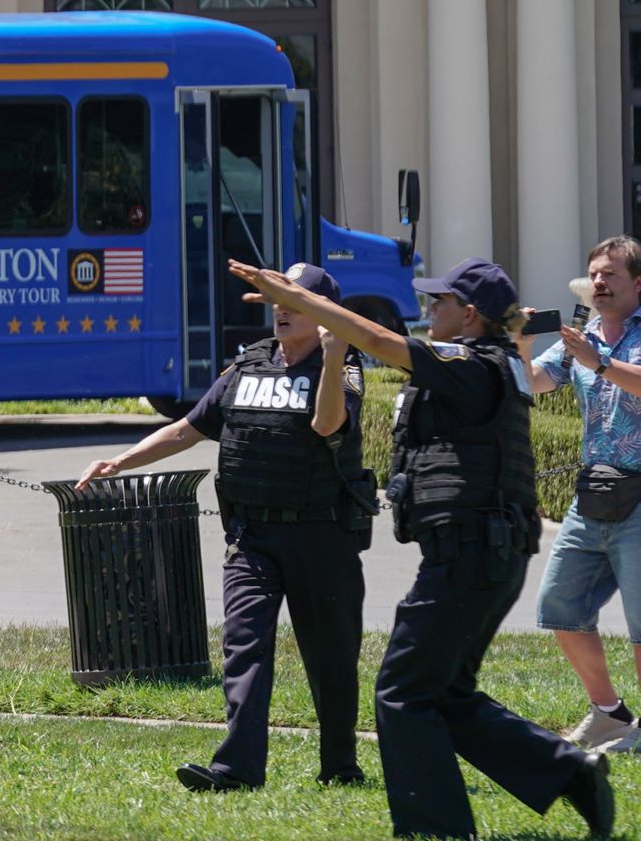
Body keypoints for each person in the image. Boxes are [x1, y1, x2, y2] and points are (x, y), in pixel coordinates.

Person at [231, 256, 614, 840]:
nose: (428, 310)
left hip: (471, 551)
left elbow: (375, 338)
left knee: (403, 692)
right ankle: (570, 772)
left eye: (440, 302)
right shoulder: (493, 361)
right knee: (444, 692)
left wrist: (300, 300)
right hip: (483, 551)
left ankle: (435, 830)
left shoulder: (470, 363)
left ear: (470, 315)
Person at [79, 264, 371, 793]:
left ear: (325, 314)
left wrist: (332, 354)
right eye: (277, 298)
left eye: (294, 301)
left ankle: (340, 765)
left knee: (331, 657)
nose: (280, 308)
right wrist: (122, 461)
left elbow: (328, 424)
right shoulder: (249, 365)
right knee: (244, 648)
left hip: (320, 534)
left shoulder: (344, 366)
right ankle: (236, 769)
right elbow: (188, 429)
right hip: (252, 536)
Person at [523, 235, 641, 754]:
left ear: (638, 283)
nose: (600, 282)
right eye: (595, 274)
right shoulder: (581, 336)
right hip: (591, 495)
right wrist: (517, 343)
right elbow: (531, 384)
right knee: (558, 606)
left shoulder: (600, 346)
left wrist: (599, 363)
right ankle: (610, 713)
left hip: (640, 497)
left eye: (611, 274)